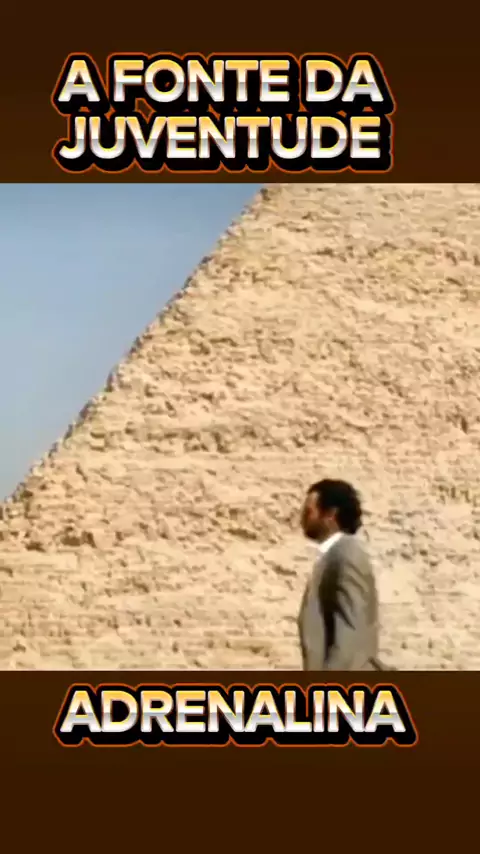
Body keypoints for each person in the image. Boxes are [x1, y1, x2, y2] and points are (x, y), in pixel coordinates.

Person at [298, 479, 386, 671]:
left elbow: (351, 634)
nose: (301, 519)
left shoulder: (347, 554)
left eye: (308, 512)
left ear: (330, 514)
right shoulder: (333, 556)